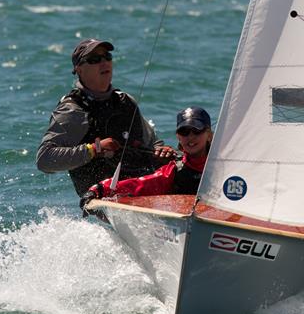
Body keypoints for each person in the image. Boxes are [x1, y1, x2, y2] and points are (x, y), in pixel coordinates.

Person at [36, 38, 176, 196]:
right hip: (106, 196)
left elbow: (152, 142)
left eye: (107, 57)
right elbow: (44, 160)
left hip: (145, 186)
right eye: (94, 59)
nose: (103, 62)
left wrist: (161, 151)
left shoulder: (126, 101)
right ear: (79, 69)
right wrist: (93, 149)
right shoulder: (73, 111)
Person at [80, 106, 213, 210]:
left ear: (209, 135)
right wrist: (100, 188)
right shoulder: (174, 170)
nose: (190, 137)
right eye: (184, 132)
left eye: (197, 130)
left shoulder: (225, 167)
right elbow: (140, 184)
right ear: (178, 136)